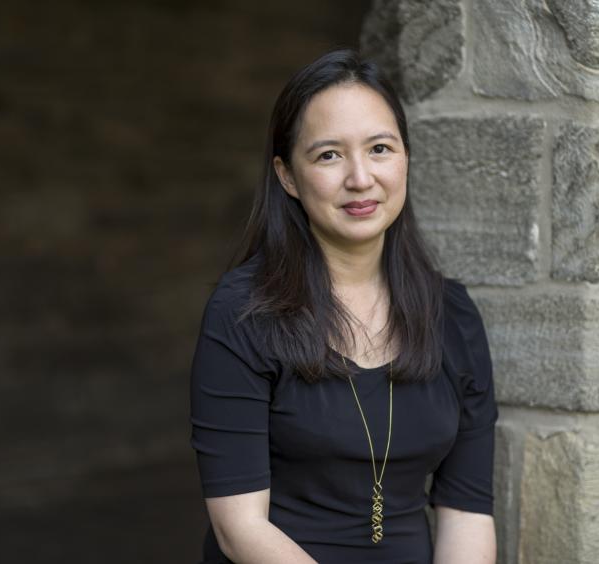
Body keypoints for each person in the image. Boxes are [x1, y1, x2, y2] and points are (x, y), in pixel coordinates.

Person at [189, 49, 498, 564]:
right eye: (329, 155)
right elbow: (239, 527)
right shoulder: (243, 313)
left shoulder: (453, 316)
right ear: (288, 176)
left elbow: (466, 512)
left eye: (380, 148)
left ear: (405, 159)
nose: (360, 178)